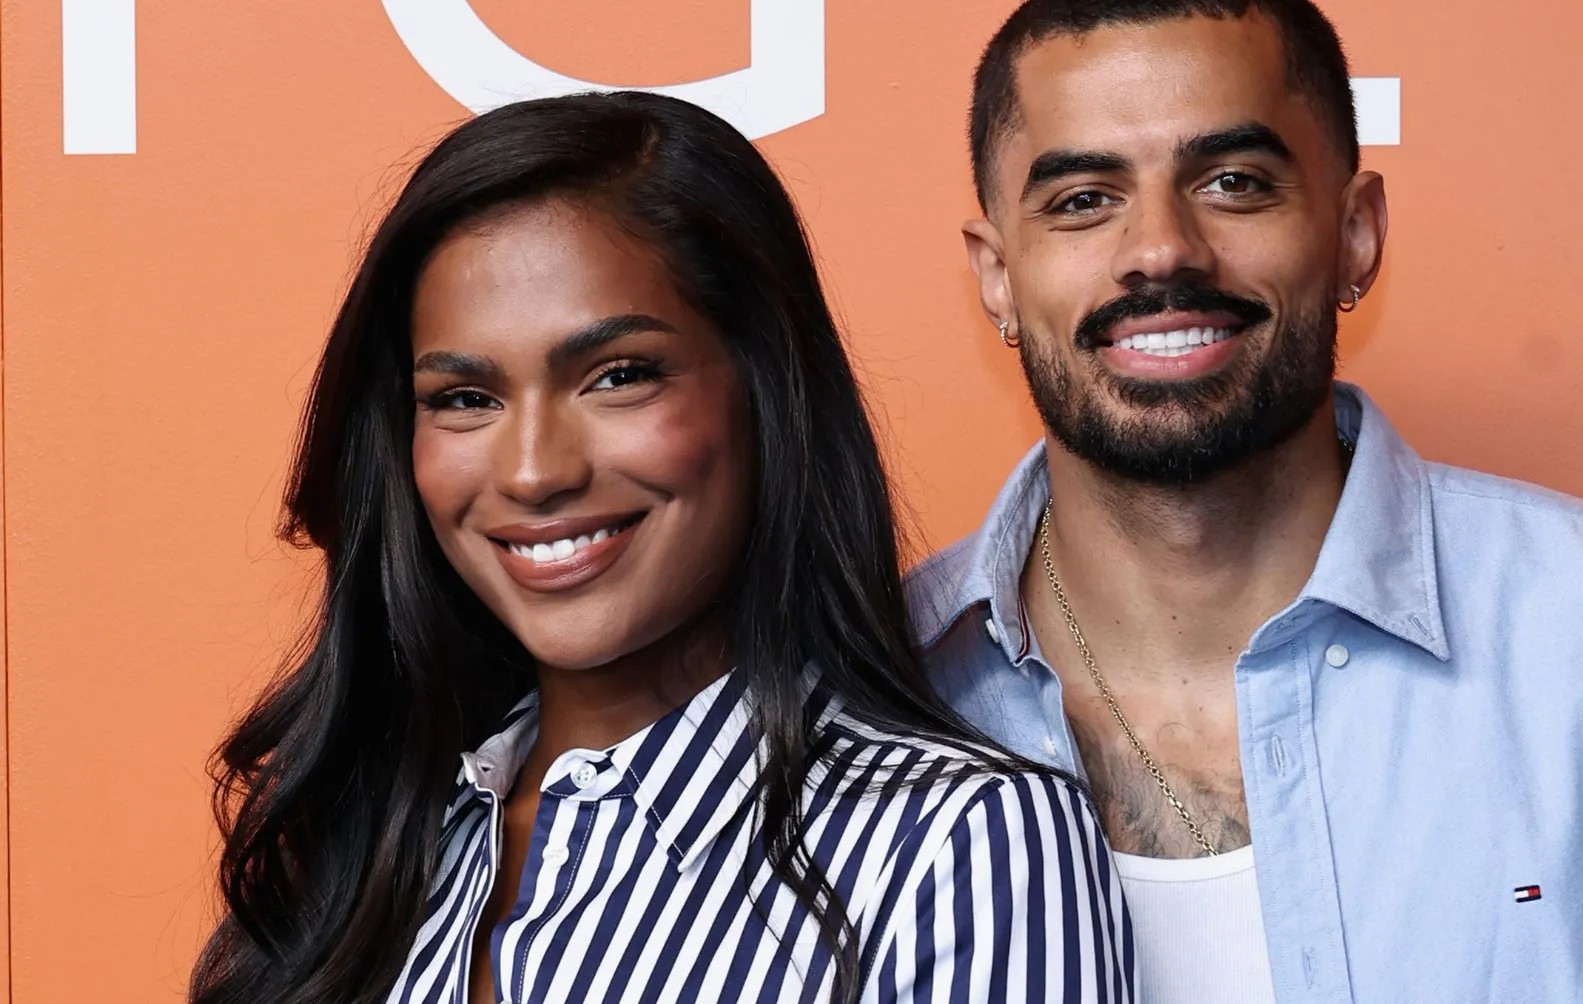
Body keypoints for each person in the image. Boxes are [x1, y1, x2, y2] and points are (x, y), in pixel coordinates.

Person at [910, 0, 1583, 1002]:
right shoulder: (866, 697)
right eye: (1082, 199)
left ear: (1355, 233)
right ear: (997, 276)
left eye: (1233, 183)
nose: (1162, 248)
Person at [191, 92, 1133, 1004]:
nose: (533, 471)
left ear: (767, 392)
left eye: (618, 376)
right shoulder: (360, 857)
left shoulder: (954, 847)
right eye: (465, 399)